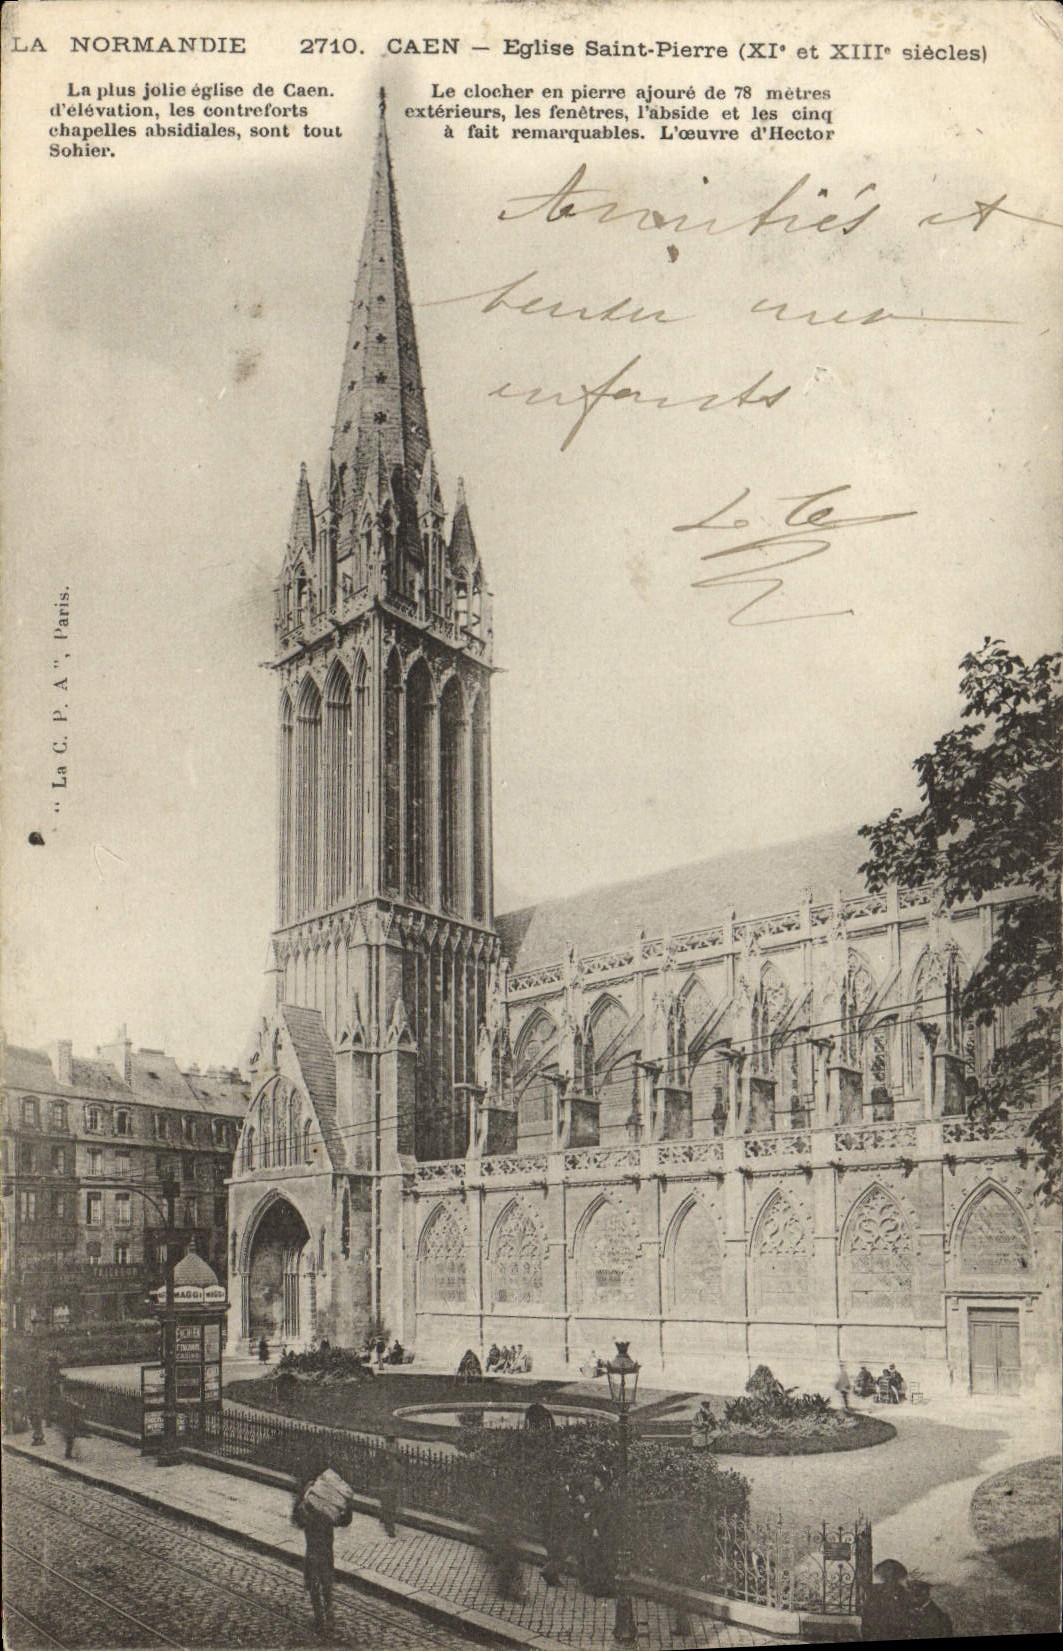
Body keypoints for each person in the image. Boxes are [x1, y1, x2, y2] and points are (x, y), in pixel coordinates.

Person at [292, 1461, 353, 1636]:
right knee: (326, 1582)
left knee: (313, 1582)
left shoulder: (309, 1495)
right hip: (327, 1547)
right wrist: (347, 1507)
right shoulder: (329, 1497)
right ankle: (329, 1614)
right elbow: (344, 1521)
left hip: (312, 1548)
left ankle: (320, 1618)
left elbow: (298, 1519)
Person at [861, 1558, 911, 1641]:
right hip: (877, 1632)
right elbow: (867, 1614)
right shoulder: (874, 1591)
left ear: (898, 1575)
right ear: (883, 1575)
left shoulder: (904, 1593)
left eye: (894, 1574)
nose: (890, 1577)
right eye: (887, 1573)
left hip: (897, 1633)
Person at [378, 1434, 401, 1539]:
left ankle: (389, 1526)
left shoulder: (391, 1455)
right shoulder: (390, 1453)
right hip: (390, 1483)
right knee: (389, 1504)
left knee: (389, 1504)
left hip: (390, 1483)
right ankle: (388, 1524)